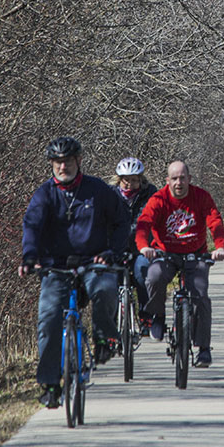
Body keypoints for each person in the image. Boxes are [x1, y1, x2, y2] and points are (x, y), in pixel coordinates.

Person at [20, 136, 130, 408]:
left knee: (106, 289)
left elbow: (121, 221)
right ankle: (49, 384)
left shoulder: (97, 190)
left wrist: (112, 252)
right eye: (57, 162)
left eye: (67, 161)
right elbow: (32, 225)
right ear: (51, 165)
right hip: (55, 266)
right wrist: (29, 256)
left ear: (78, 161)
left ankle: (105, 337)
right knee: (48, 319)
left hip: (93, 262)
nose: (62, 167)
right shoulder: (44, 194)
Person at [135, 161, 224, 368]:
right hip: (165, 253)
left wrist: (219, 246)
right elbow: (144, 223)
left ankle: (203, 349)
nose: (179, 182)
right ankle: (157, 316)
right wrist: (143, 246)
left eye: (183, 178)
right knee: (154, 276)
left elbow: (215, 221)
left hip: (196, 255)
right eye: (174, 178)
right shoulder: (158, 199)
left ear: (189, 179)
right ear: (167, 180)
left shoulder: (201, 197)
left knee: (200, 295)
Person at [110, 156, 159, 335]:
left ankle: (146, 317)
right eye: (127, 180)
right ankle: (112, 324)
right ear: (119, 180)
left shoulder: (150, 193)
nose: (131, 184)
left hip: (141, 246)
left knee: (142, 273)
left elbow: (147, 219)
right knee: (110, 280)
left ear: (141, 179)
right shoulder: (110, 195)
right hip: (116, 247)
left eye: (135, 180)